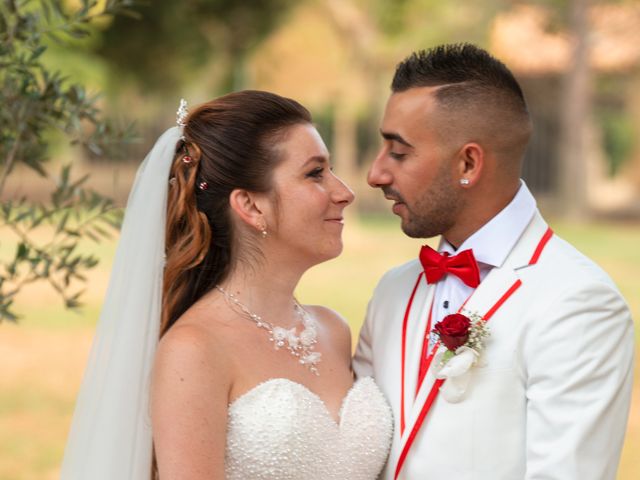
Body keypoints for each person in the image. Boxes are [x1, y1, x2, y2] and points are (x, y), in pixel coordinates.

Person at [61, 90, 392, 480]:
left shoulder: (333, 330)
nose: (345, 192)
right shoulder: (194, 350)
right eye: (315, 173)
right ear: (251, 206)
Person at [353, 44, 634, 480]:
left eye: (399, 152)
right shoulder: (392, 291)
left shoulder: (578, 302)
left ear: (468, 162)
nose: (376, 175)